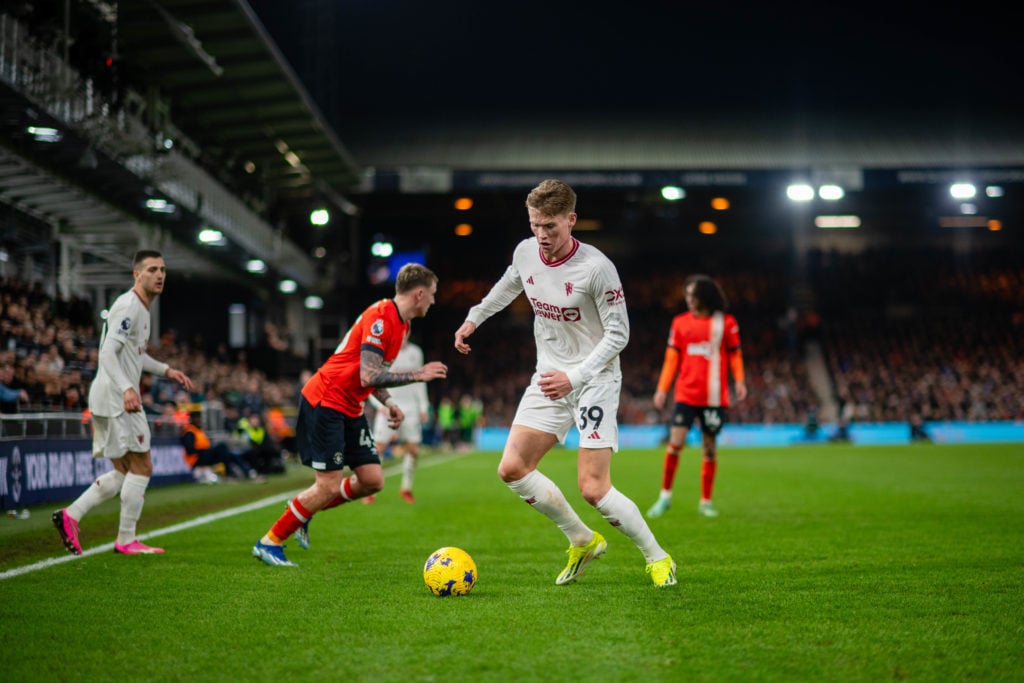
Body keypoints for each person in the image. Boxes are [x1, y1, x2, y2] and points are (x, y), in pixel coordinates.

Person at [453, 179, 676, 588]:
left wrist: (575, 376)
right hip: (549, 376)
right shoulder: (526, 251)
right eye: (535, 224)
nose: (542, 235)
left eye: (550, 226)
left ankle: (657, 557)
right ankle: (582, 539)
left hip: (594, 380)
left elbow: (619, 334)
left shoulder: (596, 269)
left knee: (593, 488)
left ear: (571, 221)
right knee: (512, 468)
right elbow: (509, 284)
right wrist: (474, 318)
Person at [252, 264, 448, 567]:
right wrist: (418, 374)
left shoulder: (403, 326)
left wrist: (388, 403)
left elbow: (372, 377)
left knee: (372, 480)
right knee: (328, 485)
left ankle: (303, 510)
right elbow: (369, 375)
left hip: (350, 407)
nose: (434, 302)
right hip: (326, 400)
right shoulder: (381, 317)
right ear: (419, 294)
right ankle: (270, 541)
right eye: (432, 295)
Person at [52, 250, 194, 555]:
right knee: (142, 466)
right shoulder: (129, 306)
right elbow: (106, 353)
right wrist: (128, 388)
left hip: (109, 395)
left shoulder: (141, 309)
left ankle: (71, 515)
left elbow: (136, 355)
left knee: (123, 470)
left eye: (163, 269)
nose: (160, 275)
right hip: (118, 398)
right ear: (137, 274)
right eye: (153, 269)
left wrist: (167, 370)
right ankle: (126, 539)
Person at [646, 274, 747, 520]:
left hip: (714, 397)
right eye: (687, 295)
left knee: (710, 449)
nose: (688, 300)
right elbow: (672, 358)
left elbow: (734, 354)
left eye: (692, 295)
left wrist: (740, 380)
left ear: (705, 297)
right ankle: (665, 496)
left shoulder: (726, 323)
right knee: (675, 444)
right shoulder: (680, 323)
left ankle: (705, 502)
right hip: (686, 395)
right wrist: (662, 388)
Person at [366, 336, 431, 504]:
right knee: (378, 448)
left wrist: (423, 406)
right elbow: (373, 379)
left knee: (413, 450)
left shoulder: (416, 352)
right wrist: (378, 404)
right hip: (389, 407)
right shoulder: (384, 352)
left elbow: (420, 380)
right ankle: (370, 489)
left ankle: (406, 488)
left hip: (411, 409)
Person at [181, 411, 266, 483]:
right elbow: (190, 450)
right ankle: (229, 474)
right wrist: (207, 450)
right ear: (192, 419)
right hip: (196, 459)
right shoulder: (190, 431)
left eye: (199, 417)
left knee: (231, 454)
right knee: (222, 447)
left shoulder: (198, 430)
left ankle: (249, 473)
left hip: (203, 455)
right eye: (197, 418)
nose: (199, 420)